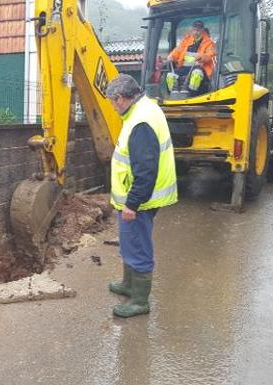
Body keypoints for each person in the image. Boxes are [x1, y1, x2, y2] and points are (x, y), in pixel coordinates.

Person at [106, 74, 177, 318]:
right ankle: (128, 285)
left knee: (138, 247)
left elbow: (146, 169)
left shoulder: (141, 123)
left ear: (120, 98)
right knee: (130, 243)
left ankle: (139, 301)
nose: (113, 108)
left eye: (112, 102)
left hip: (138, 200)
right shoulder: (145, 109)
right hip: (136, 197)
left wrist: (132, 204)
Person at [166, 20, 216, 94]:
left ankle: (192, 94)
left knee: (196, 74)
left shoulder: (209, 42)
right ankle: (173, 94)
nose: (196, 32)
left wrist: (201, 56)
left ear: (202, 30)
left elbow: (210, 55)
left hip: (200, 67)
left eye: (198, 30)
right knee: (170, 76)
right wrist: (171, 56)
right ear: (192, 29)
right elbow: (178, 50)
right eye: (194, 30)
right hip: (184, 67)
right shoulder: (186, 40)